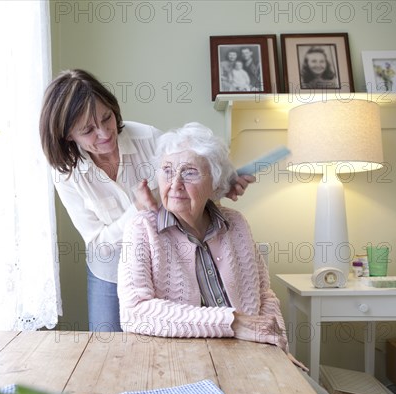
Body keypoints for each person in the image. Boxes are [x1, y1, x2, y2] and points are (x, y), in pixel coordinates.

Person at [39, 70, 254, 333]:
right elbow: (98, 244)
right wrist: (137, 210)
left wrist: (223, 185)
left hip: (162, 260)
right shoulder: (66, 174)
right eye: (88, 130)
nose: (104, 133)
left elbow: (189, 181)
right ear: (68, 135)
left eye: (106, 118)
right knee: (108, 350)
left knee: (165, 338)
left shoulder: (147, 138)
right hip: (109, 270)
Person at [118, 122, 307, 370]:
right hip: (178, 364)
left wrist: (276, 345)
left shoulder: (236, 224)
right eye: (167, 170)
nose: (175, 184)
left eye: (189, 172)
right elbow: (134, 313)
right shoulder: (142, 229)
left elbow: (265, 297)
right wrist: (233, 322)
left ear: (215, 182)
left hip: (249, 358)